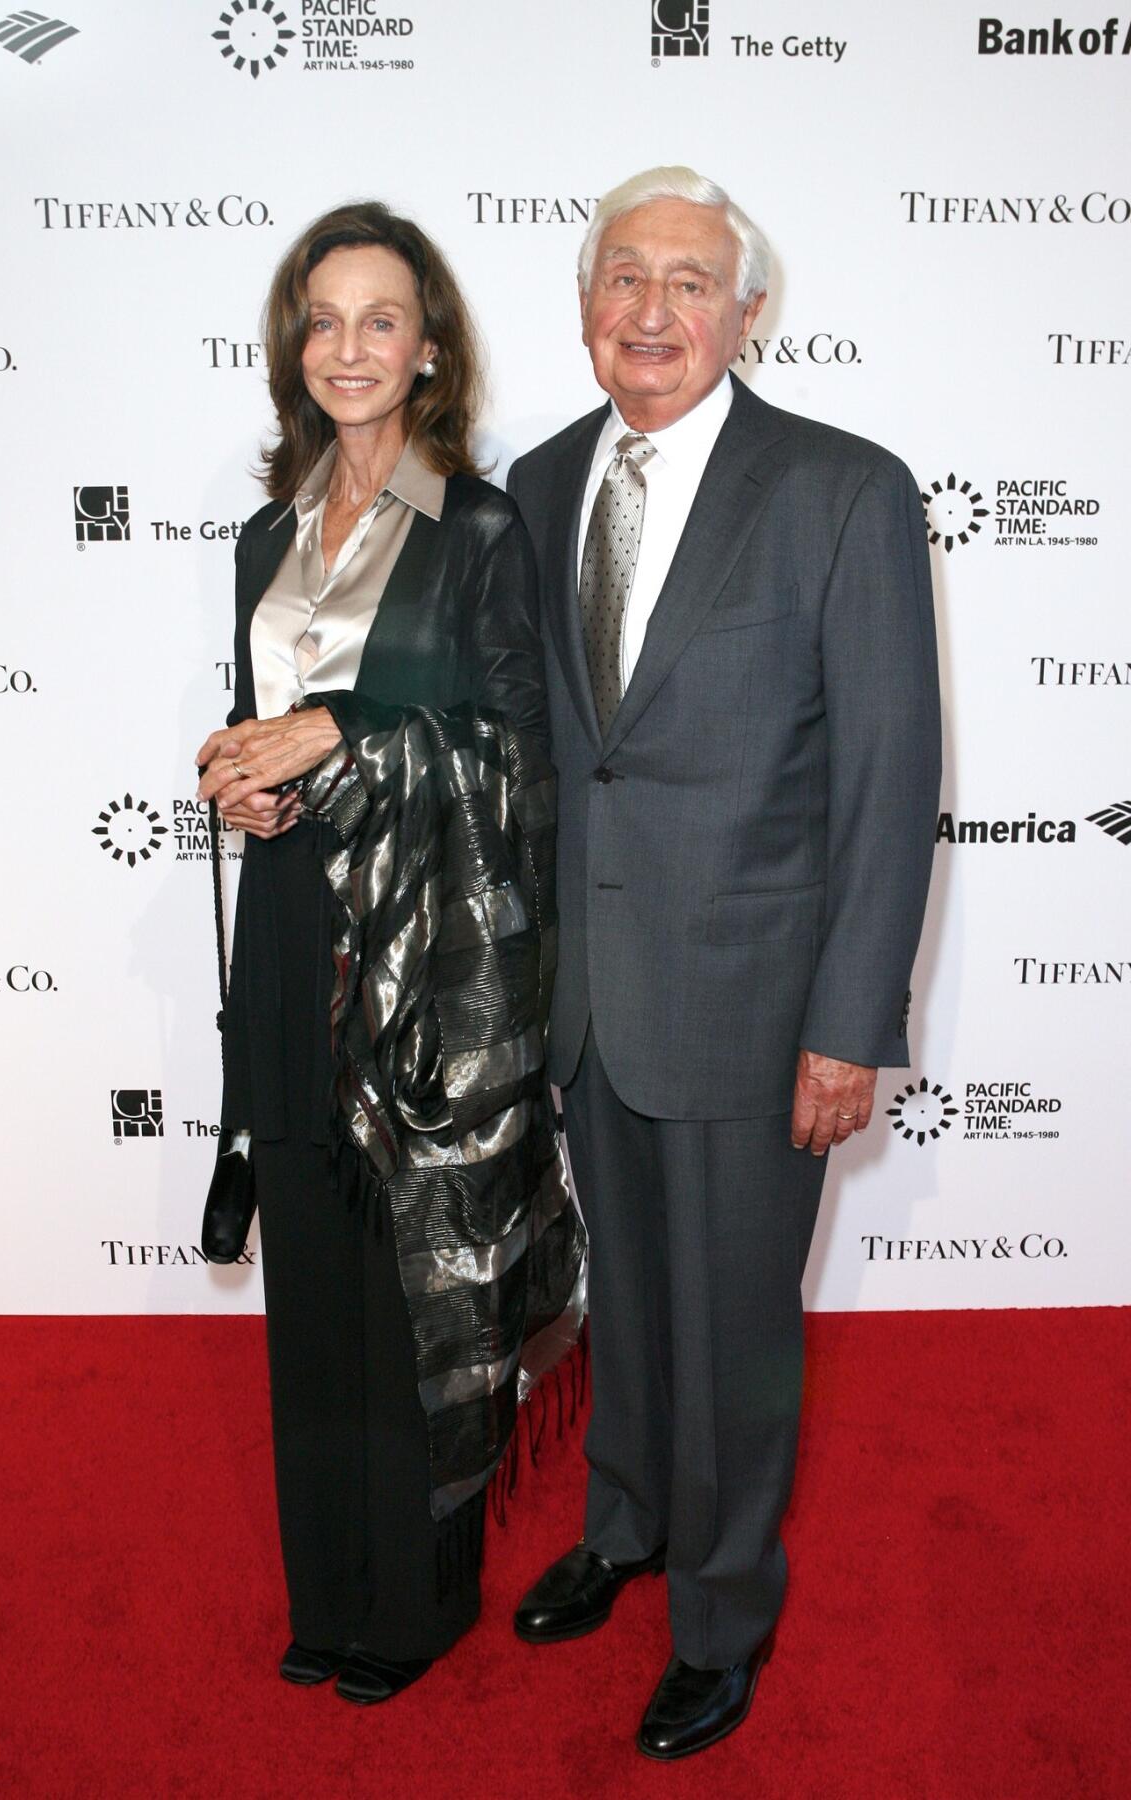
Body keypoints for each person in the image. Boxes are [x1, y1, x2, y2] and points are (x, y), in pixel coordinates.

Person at [507, 167, 941, 1761]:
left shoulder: (843, 488)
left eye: (690, 282)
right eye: (624, 277)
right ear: (584, 308)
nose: (652, 312)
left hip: (760, 1011)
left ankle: (723, 1613)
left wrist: (848, 1024)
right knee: (628, 1295)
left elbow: (892, 775)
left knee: (739, 1323)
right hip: (589, 1000)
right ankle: (626, 1523)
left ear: (748, 312)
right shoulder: (540, 485)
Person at [195, 202, 581, 1706]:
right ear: (295, 345)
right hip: (294, 931)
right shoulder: (261, 537)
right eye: (323, 318)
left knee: (404, 1280)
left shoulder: (475, 528)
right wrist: (246, 773)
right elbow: (273, 734)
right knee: (311, 1290)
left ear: (430, 347)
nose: (348, 348)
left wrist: (349, 737)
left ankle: (413, 1612)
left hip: (424, 971)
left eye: (380, 319)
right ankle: (329, 1592)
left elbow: (520, 758)